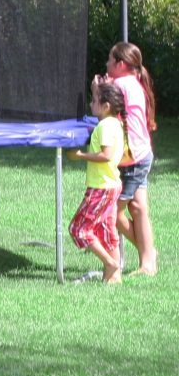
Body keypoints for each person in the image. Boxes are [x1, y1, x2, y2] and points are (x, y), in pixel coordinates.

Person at [102, 41, 158, 275]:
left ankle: (149, 255)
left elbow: (104, 110)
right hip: (141, 154)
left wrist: (100, 88)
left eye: (109, 60)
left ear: (120, 64)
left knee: (112, 211)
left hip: (133, 158)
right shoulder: (134, 82)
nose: (106, 64)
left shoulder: (120, 84)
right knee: (138, 208)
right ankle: (148, 262)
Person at [67, 81, 127, 284]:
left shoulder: (105, 126)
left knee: (79, 228)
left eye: (94, 101)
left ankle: (110, 263)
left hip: (101, 187)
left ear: (106, 106)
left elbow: (106, 155)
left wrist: (80, 155)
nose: (91, 104)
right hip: (111, 185)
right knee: (107, 229)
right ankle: (114, 277)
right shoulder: (115, 123)